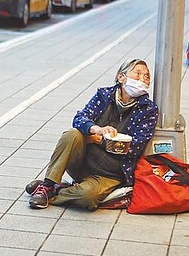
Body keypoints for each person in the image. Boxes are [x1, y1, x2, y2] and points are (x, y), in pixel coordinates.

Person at [26, 59, 158, 210]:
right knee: (72, 134)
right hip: (83, 163)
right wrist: (96, 129)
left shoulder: (148, 109)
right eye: (137, 73)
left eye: (147, 76)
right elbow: (79, 119)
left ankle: (55, 191)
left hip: (110, 174)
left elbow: (134, 147)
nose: (142, 79)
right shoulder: (104, 95)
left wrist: (97, 140)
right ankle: (48, 184)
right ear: (121, 77)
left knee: (87, 198)